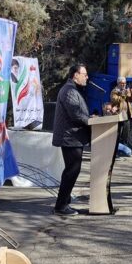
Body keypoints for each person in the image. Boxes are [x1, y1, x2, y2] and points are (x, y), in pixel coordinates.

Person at [51, 64, 91, 216]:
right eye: (84, 74)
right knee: (71, 171)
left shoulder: (73, 90)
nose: (86, 77)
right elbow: (75, 114)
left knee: (72, 170)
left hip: (73, 137)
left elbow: (79, 113)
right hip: (69, 137)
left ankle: (64, 204)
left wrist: (91, 118)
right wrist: (90, 121)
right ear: (75, 75)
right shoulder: (69, 91)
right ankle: (60, 207)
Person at [110, 76, 132, 143]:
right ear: (118, 83)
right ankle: (118, 144)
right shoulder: (114, 91)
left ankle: (124, 143)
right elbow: (115, 100)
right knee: (119, 131)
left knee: (126, 131)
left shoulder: (127, 90)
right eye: (122, 83)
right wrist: (124, 95)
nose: (123, 84)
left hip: (127, 115)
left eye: (124, 83)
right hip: (119, 114)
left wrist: (131, 92)